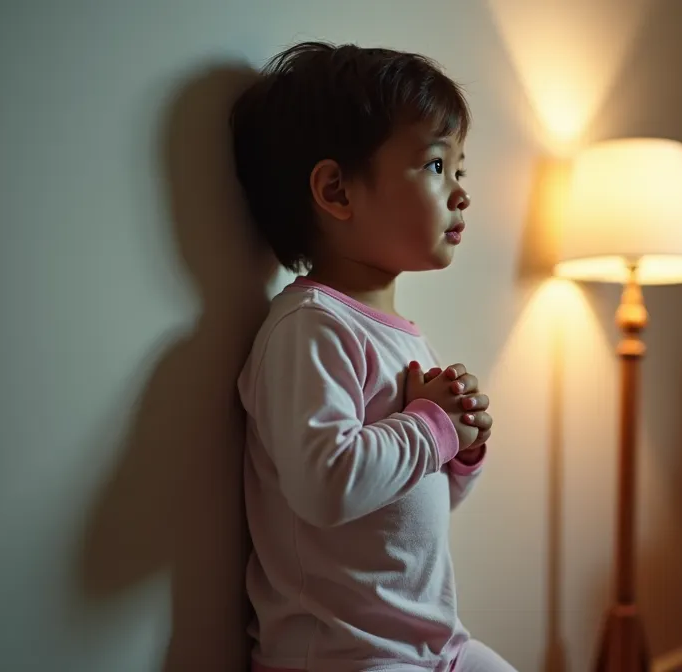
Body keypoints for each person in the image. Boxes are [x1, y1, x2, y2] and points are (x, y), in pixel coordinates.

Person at [229, 42, 515, 672]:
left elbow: (404, 506)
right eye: (437, 165)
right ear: (337, 190)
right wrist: (433, 427)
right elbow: (326, 486)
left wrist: (459, 452)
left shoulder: (402, 335)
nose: (461, 193)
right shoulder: (310, 328)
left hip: (433, 645)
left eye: (460, 169)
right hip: (346, 656)